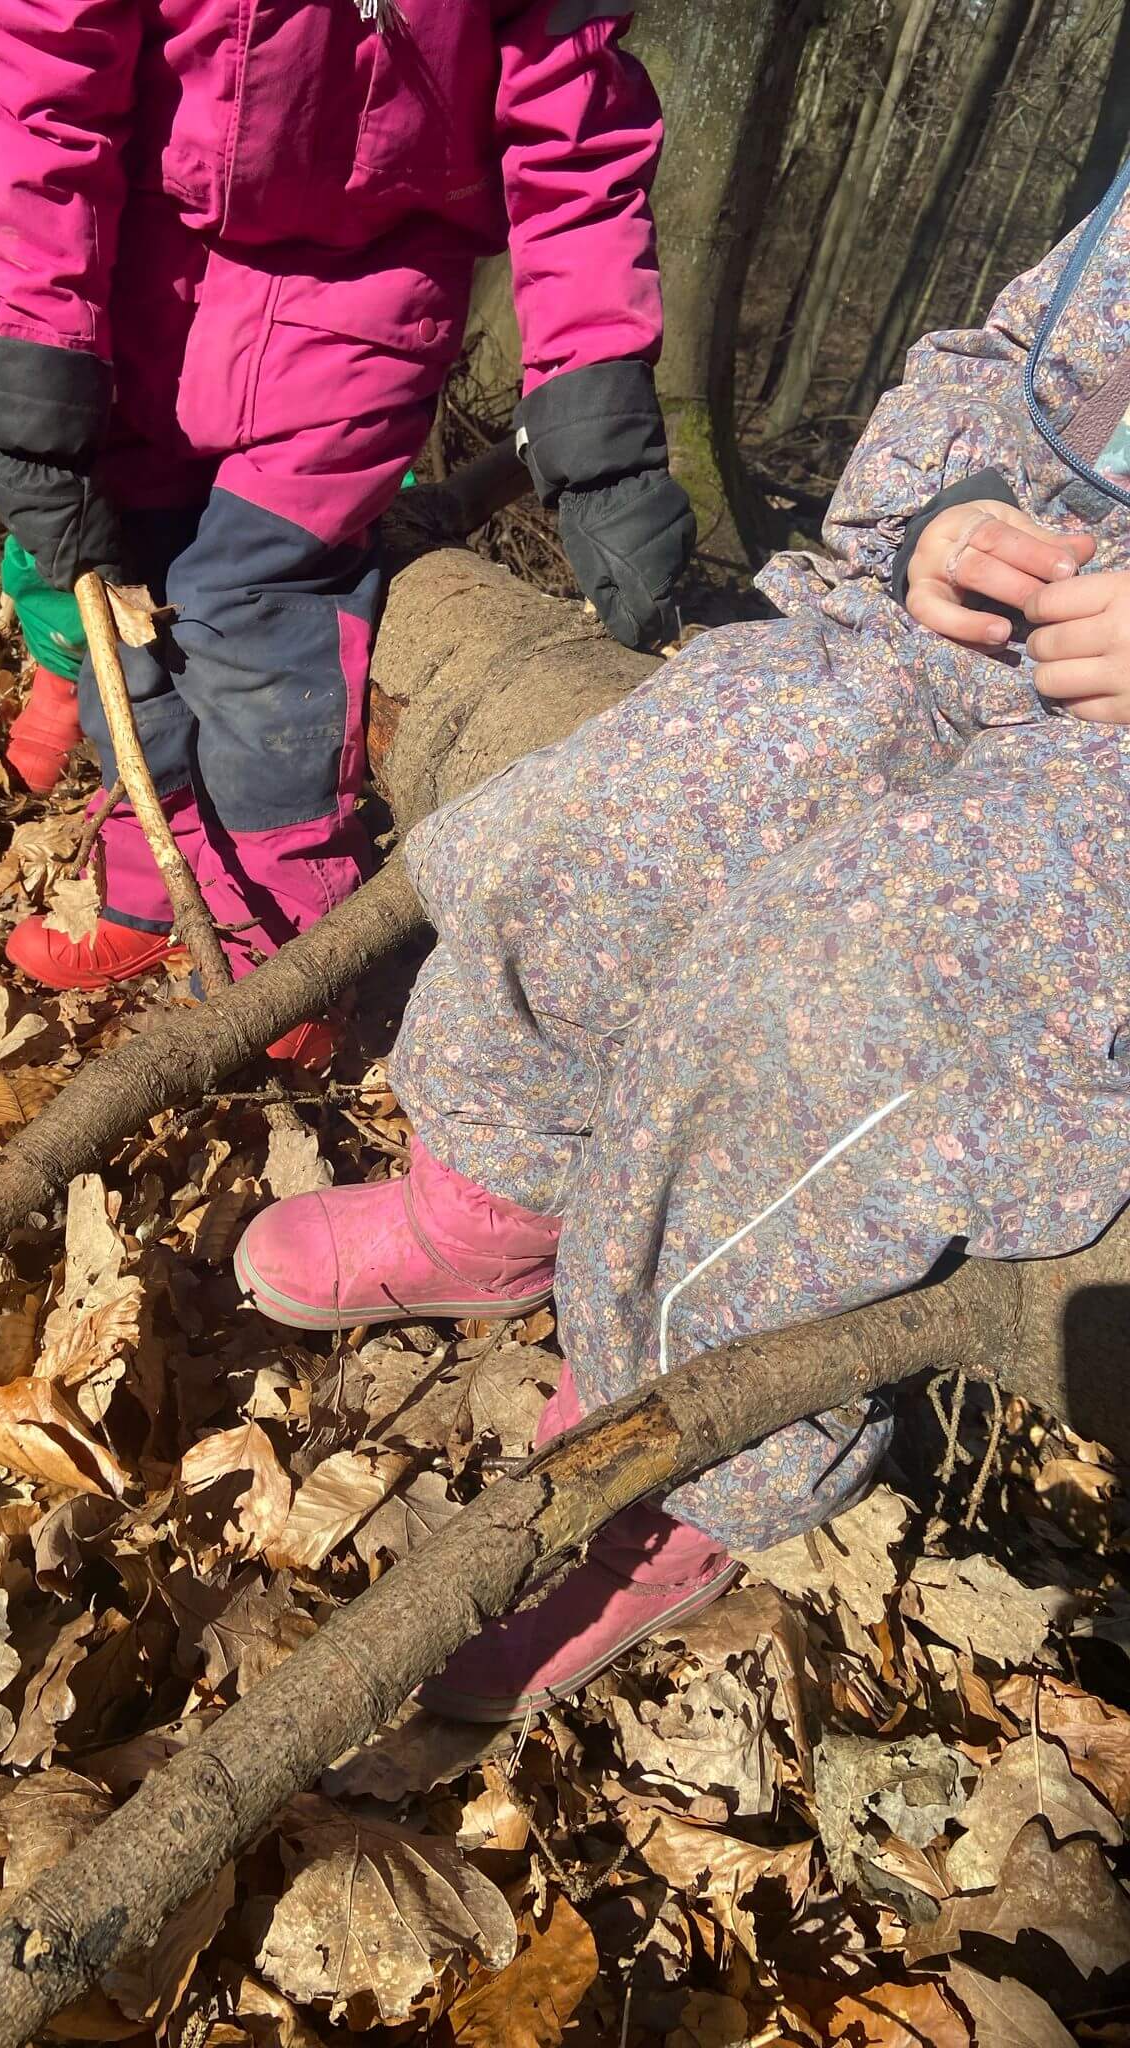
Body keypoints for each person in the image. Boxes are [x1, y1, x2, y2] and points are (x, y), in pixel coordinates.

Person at [235, 168, 1130, 1720]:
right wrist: (945, 509)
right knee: (655, 783)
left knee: (851, 981)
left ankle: (675, 1444)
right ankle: (493, 1199)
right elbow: (1006, 359)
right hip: (954, 643)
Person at [0, 2, 695, 1064]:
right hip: (142, 270)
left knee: (259, 615)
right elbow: (43, 86)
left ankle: (283, 949)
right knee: (125, 592)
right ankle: (151, 893)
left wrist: (598, 422)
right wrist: (37, 375)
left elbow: (573, 130)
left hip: (372, 292)